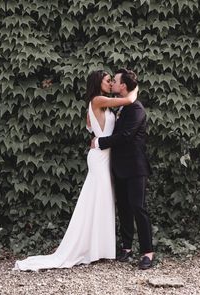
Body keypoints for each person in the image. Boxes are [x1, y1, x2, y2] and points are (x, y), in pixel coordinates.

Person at [13, 70, 137, 271]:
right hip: (99, 158)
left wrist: (96, 134)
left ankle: (99, 248)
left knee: (101, 200)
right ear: (99, 82)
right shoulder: (98, 100)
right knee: (97, 199)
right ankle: (91, 248)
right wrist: (135, 87)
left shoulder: (99, 103)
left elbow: (92, 126)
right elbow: (130, 100)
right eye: (108, 81)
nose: (110, 83)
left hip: (103, 155)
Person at [91, 69, 154, 270]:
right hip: (118, 166)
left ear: (123, 86)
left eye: (115, 81)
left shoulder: (136, 108)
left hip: (135, 167)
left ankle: (148, 252)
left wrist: (100, 142)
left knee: (138, 207)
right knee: (124, 209)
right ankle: (126, 248)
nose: (112, 84)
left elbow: (126, 135)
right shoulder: (118, 108)